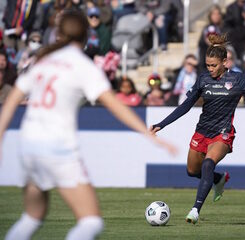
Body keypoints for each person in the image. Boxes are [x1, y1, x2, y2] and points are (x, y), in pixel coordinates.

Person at [0, 11, 176, 240]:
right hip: (57, 147)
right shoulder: (83, 66)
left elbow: (12, 99)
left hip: (28, 146)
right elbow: (115, 105)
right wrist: (148, 134)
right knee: (90, 222)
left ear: (59, 33)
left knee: (32, 217)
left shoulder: (43, 61)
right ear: (86, 36)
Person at [150, 34, 245, 224]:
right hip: (202, 132)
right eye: (208, 65)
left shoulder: (238, 79)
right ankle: (219, 179)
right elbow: (186, 105)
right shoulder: (203, 80)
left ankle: (195, 210)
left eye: (214, 65)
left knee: (208, 164)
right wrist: (161, 124)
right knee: (192, 171)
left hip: (223, 133)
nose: (210, 69)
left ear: (225, 62)